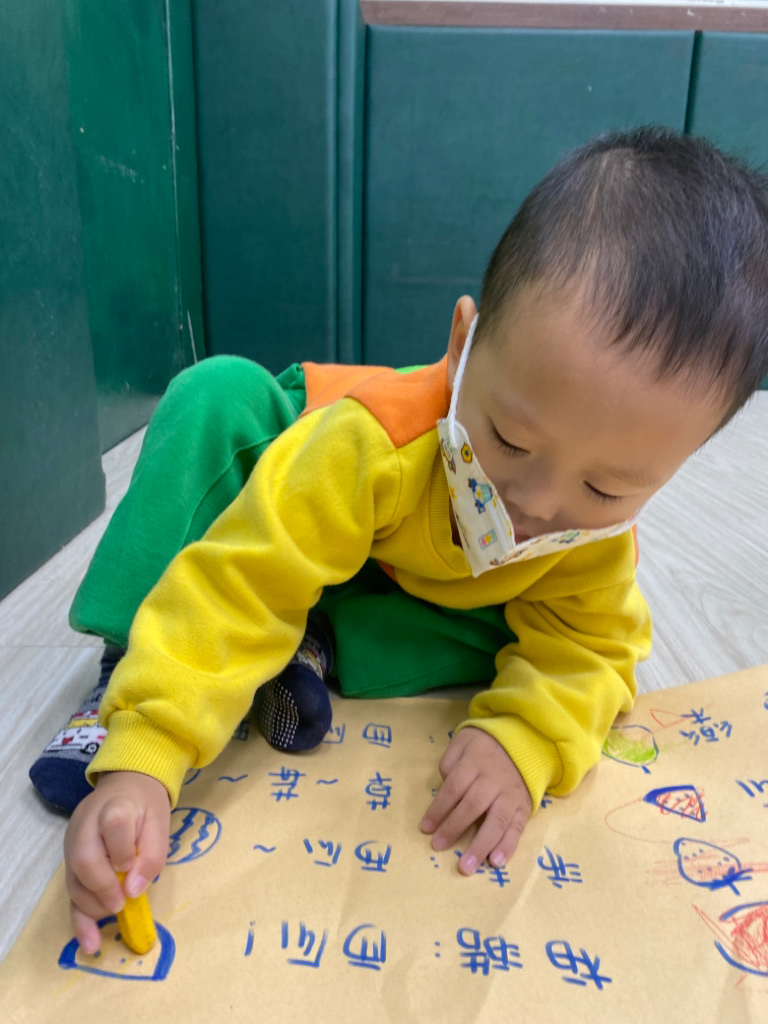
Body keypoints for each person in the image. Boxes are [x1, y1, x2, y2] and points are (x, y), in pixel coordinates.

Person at [43, 127, 768, 955]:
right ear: (462, 347)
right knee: (215, 396)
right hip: (281, 503)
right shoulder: (370, 444)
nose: (534, 504)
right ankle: (129, 670)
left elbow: (594, 653)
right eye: (510, 438)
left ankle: (305, 643)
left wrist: (526, 738)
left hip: (380, 581)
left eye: (607, 487)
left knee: (514, 632)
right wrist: (148, 751)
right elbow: (248, 575)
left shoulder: (592, 540)